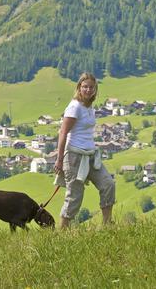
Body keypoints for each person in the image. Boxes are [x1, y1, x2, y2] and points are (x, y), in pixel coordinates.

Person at [54, 72, 115, 228]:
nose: (88, 90)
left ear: (95, 89)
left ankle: (107, 224)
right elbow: (63, 132)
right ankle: (62, 232)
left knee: (108, 184)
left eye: (91, 87)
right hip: (74, 156)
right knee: (74, 196)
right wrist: (59, 159)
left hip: (90, 155)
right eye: (85, 86)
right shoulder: (74, 107)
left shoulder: (89, 107)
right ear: (79, 88)